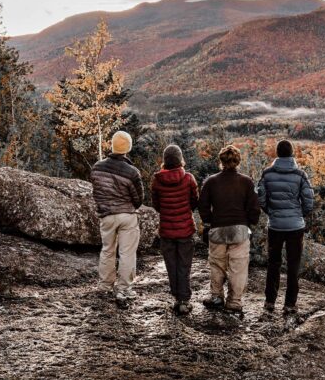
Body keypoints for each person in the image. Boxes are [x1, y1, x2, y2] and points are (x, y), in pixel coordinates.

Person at [198, 145, 259, 314]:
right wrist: (249, 222)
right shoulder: (246, 181)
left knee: (217, 265)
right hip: (240, 229)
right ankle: (234, 301)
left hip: (218, 229)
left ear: (221, 161)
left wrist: (209, 220)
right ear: (238, 161)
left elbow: (202, 205)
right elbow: (254, 207)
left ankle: (217, 297)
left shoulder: (211, 181)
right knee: (238, 267)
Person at [257, 139, 314, 315]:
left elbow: (261, 198)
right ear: (292, 154)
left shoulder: (267, 174)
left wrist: (271, 212)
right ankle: (290, 304)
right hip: (295, 227)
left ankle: (269, 302)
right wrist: (299, 215)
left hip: (275, 226)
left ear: (277, 154)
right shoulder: (300, 175)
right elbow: (309, 201)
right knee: (293, 265)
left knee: (273, 263)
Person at [91, 130, 144, 307]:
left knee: (107, 250)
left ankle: (105, 285)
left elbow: (96, 191)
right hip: (127, 215)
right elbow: (139, 199)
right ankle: (123, 288)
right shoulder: (132, 172)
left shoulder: (97, 167)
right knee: (127, 253)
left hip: (106, 215)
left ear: (112, 146)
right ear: (128, 148)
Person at [150, 144, 199, 316]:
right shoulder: (189, 178)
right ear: (180, 159)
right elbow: (194, 202)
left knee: (171, 266)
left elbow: (157, 206)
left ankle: (177, 298)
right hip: (185, 229)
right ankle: (184, 300)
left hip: (167, 231)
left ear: (165, 160)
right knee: (184, 266)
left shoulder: (157, 180)